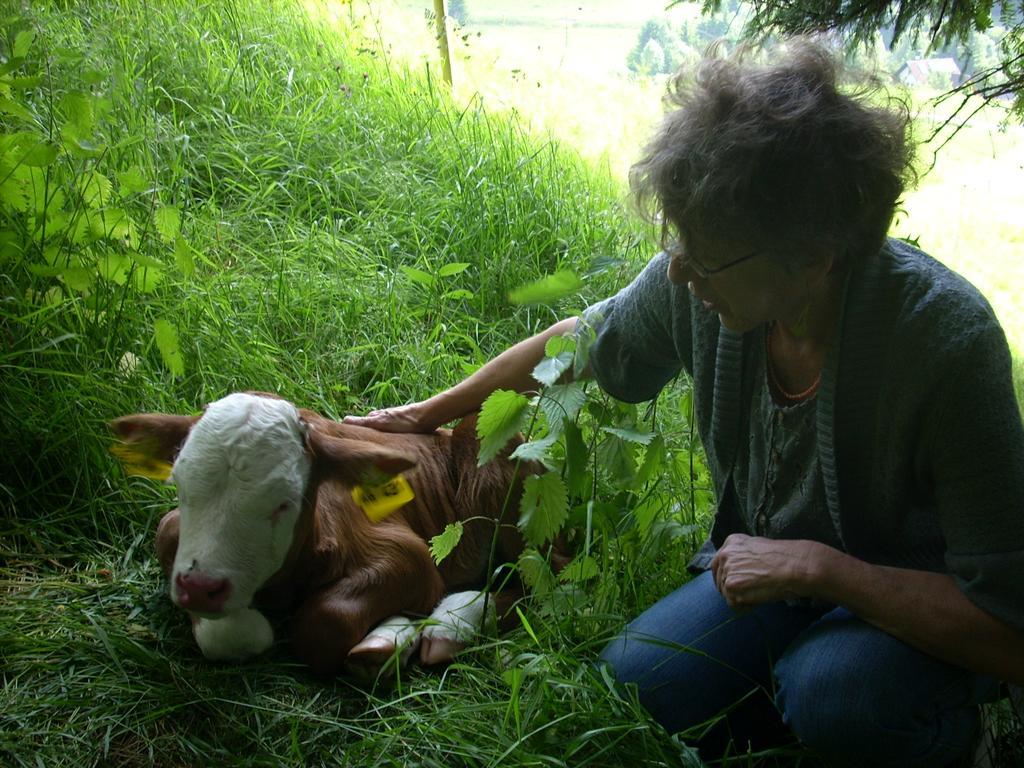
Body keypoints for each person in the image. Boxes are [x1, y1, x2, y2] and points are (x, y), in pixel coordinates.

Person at [344, 40, 1024, 766]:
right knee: (638, 683)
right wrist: (425, 414)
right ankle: (804, 696)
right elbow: (577, 343)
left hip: (917, 612)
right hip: (776, 583)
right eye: (677, 239)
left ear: (815, 257)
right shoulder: (707, 287)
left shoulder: (947, 344)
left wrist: (822, 570)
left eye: (705, 254)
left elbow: (1006, 624)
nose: (678, 269)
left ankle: (953, 737)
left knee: (836, 696)